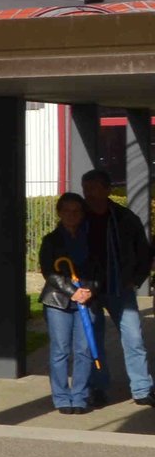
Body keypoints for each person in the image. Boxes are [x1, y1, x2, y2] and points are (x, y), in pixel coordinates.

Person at [77, 167, 153, 407]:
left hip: (119, 287)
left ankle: (142, 389)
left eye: (93, 188)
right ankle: (98, 388)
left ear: (107, 190)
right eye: (85, 189)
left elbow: (144, 251)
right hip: (88, 288)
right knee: (93, 340)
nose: (89, 194)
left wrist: (136, 278)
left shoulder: (124, 218)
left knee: (133, 338)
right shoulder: (78, 218)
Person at [39, 191, 98, 414]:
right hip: (58, 301)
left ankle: (80, 396)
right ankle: (62, 397)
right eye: (67, 211)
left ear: (82, 214)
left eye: (76, 211)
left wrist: (90, 290)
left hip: (87, 299)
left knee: (84, 350)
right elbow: (50, 272)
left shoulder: (92, 240)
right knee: (60, 350)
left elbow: (100, 270)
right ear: (59, 213)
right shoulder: (51, 240)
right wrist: (73, 292)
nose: (72, 215)